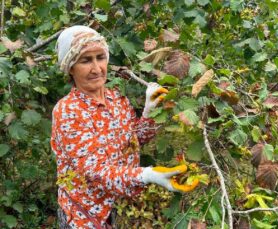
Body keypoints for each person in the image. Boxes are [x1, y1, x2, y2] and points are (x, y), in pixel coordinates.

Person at [51, 25, 199, 229]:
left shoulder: (116, 99)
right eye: (86, 60)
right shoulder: (68, 111)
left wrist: (149, 113)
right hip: (84, 216)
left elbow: (134, 140)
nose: (96, 68)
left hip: (120, 209)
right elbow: (94, 172)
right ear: (70, 67)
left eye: (100, 57)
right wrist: (147, 175)